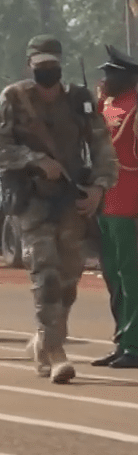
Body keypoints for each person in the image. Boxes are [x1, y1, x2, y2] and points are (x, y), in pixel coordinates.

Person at [0, 36, 117, 383]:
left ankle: (42, 340)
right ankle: (57, 352)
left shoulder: (79, 100)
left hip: (71, 200)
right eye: (40, 65)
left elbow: (102, 147)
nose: (47, 72)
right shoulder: (13, 99)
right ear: (29, 66)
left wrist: (98, 187)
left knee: (69, 282)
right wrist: (35, 160)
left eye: (52, 65)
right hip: (31, 200)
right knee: (45, 275)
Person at [93, 45, 138, 369]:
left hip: (129, 203)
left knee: (131, 275)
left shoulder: (135, 108)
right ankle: (122, 339)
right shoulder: (106, 106)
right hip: (105, 203)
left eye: (111, 74)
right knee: (113, 276)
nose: (105, 78)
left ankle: (134, 344)